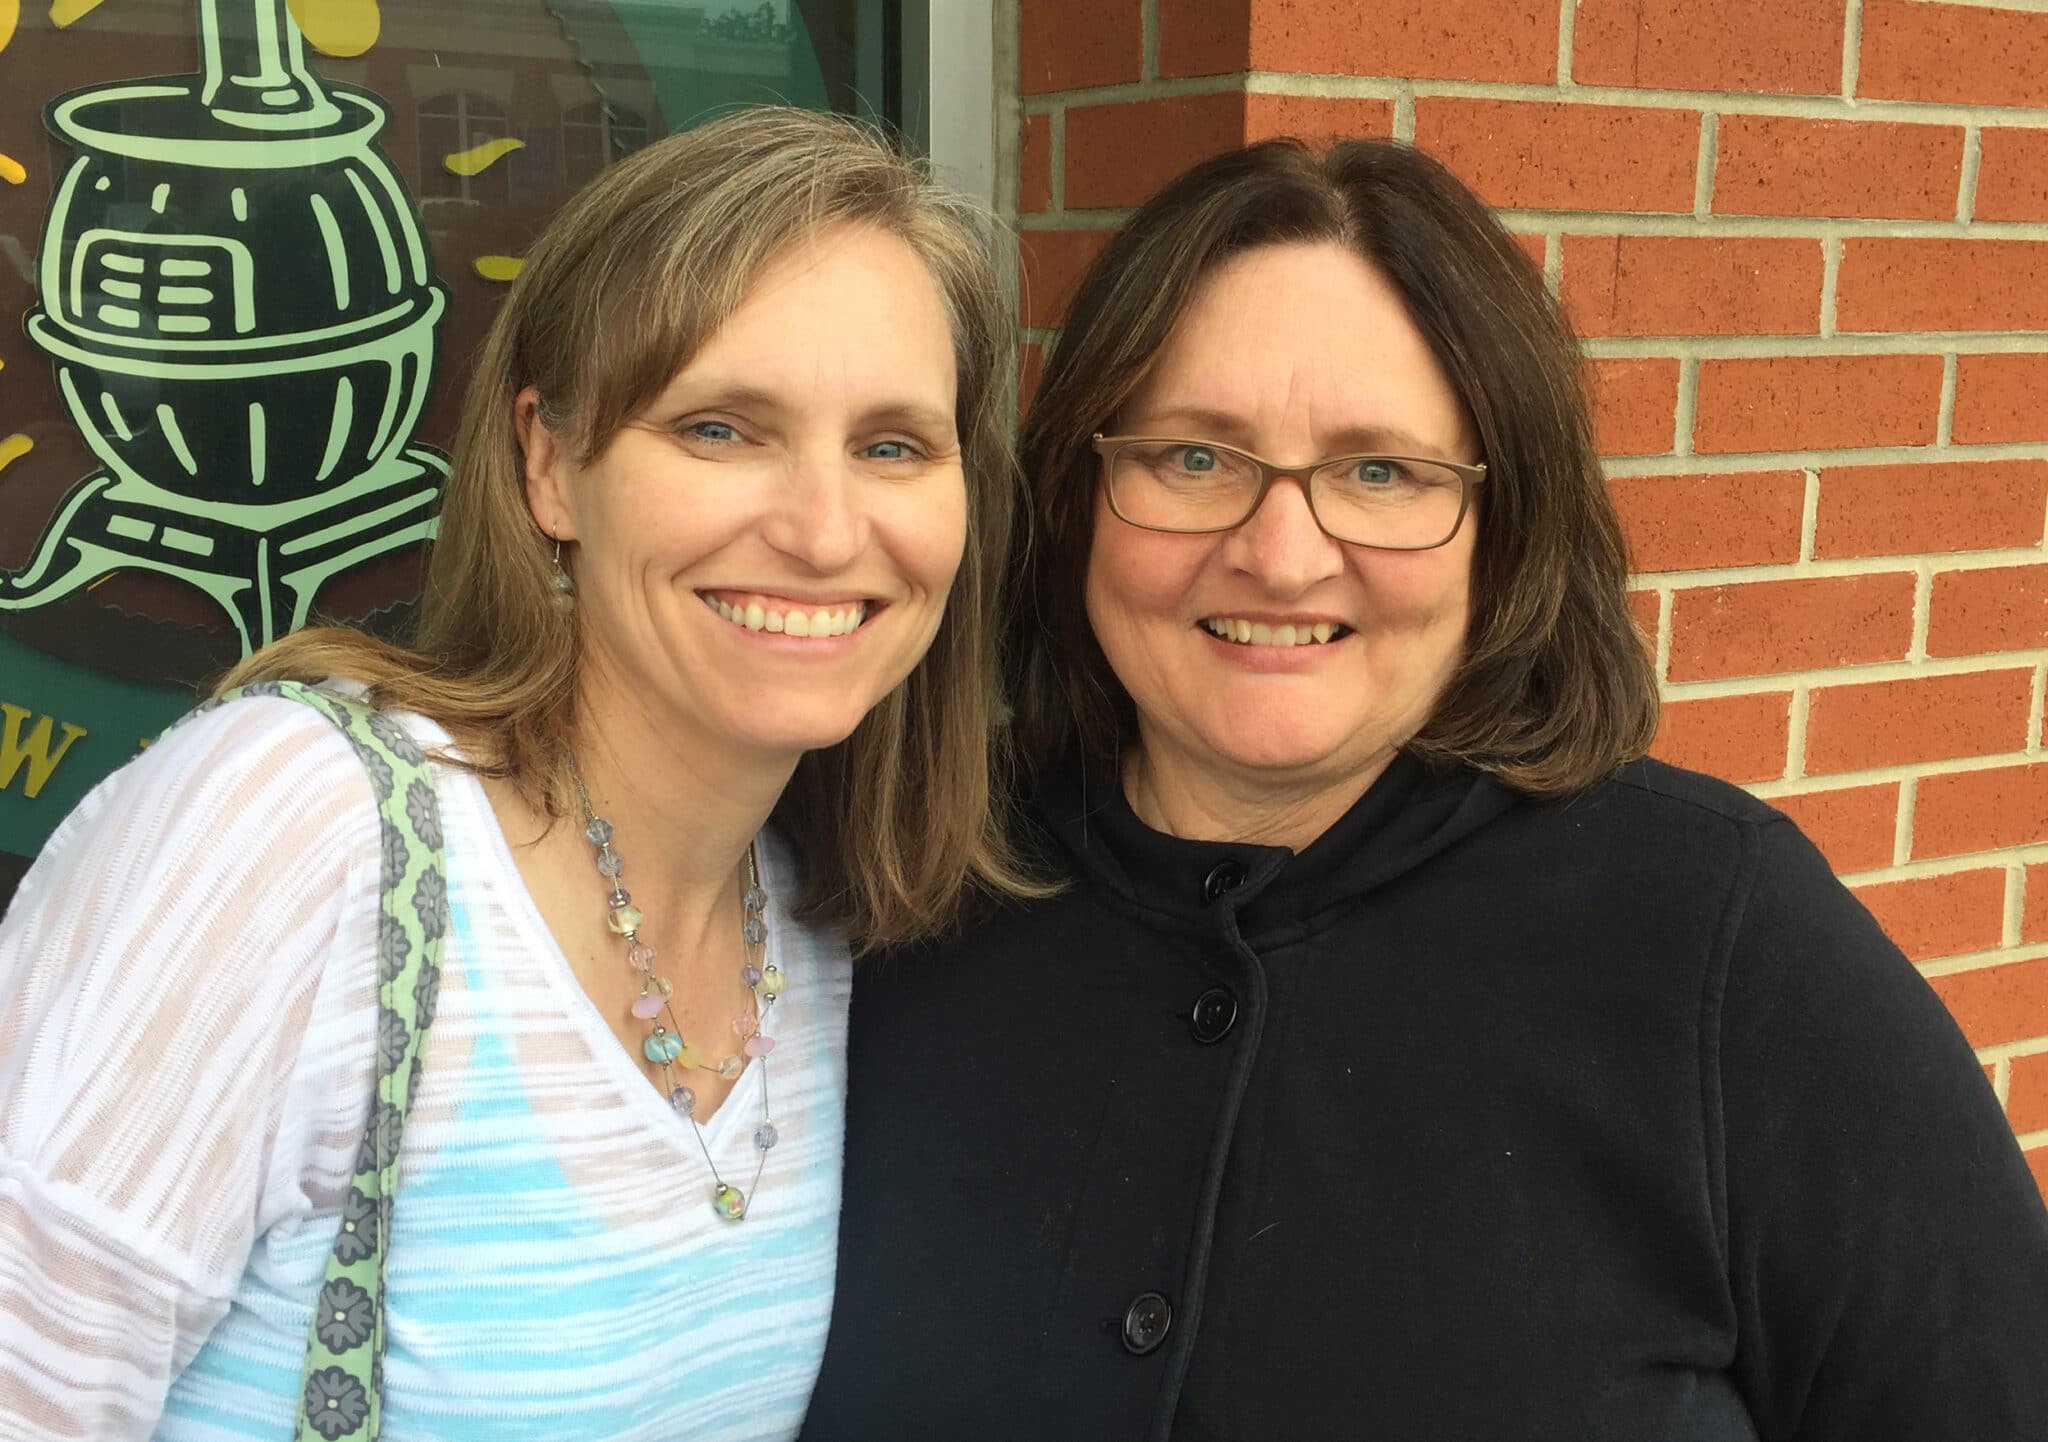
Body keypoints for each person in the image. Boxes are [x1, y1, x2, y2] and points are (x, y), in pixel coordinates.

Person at [803, 138, 2048, 1439]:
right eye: (1193, 459)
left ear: (1499, 532)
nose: (1280, 555)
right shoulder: (916, 889)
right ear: (1080, 492)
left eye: (1379, 472)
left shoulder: (1717, 942)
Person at [0, 107, 1034, 1440]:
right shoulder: (298, 835)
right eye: (722, 428)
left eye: (892, 443)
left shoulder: (824, 928)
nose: (825, 528)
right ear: (550, 461)